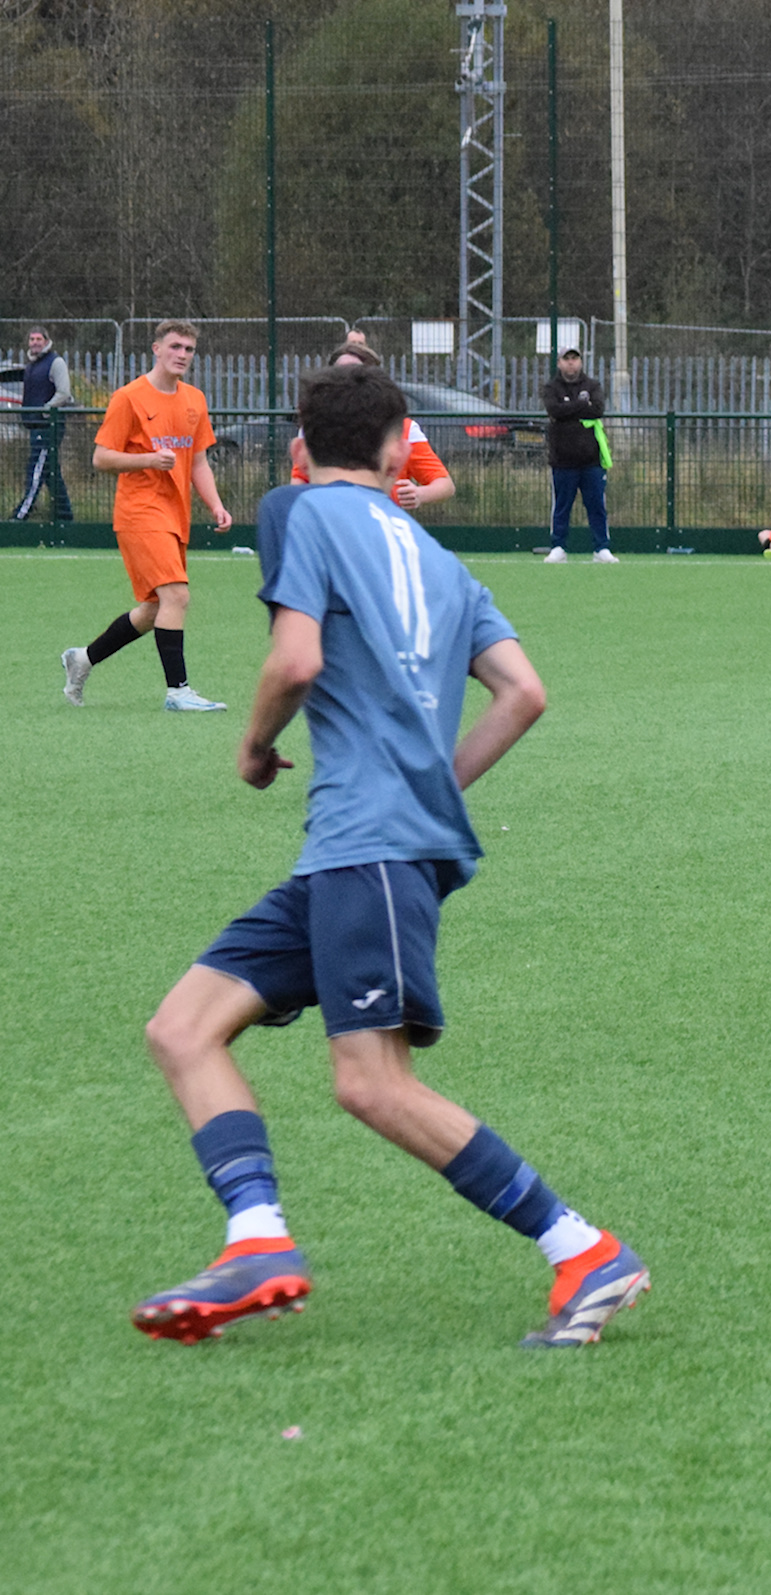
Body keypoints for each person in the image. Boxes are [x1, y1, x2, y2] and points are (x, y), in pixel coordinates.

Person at [128, 363, 647, 1350]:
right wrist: (433, 785)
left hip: (365, 843)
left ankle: (582, 1247)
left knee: (371, 1081)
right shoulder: (438, 558)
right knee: (185, 1026)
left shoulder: (298, 506)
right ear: (397, 440)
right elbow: (523, 693)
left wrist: (250, 748)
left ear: (301, 444)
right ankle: (257, 1239)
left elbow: (294, 659)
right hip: (358, 849)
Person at [59, 321, 232, 712]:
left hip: (176, 515)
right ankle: (178, 692)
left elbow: (199, 462)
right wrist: (149, 459)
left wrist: (216, 504)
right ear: (157, 349)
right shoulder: (130, 397)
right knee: (177, 595)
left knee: (157, 609)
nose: (182, 354)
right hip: (140, 512)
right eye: (175, 346)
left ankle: (82, 659)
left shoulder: (194, 400)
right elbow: (101, 457)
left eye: (189, 349)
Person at [288, 342, 455, 511]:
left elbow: (445, 484)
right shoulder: (317, 426)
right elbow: (299, 479)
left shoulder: (403, 429)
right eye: (339, 372)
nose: (346, 380)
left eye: (355, 373)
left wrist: (419, 494)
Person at [541, 347, 614, 564]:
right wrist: (581, 406)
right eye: (567, 359)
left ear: (580, 362)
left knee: (596, 505)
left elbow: (598, 409)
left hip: (591, 460)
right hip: (562, 459)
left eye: (575, 359)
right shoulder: (551, 387)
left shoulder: (593, 386)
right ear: (560, 363)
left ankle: (602, 548)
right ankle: (558, 547)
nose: (571, 363)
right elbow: (554, 410)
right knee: (561, 506)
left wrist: (570, 409)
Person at [13, 325, 75, 522]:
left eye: (39, 339)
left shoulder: (55, 362)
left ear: (46, 341)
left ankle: (20, 517)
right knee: (50, 474)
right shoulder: (31, 366)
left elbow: (64, 392)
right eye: (32, 340)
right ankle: (66, 518)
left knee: (35, 472)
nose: (35, 343)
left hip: (49, 426)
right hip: (35, 427)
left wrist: (45, 409)